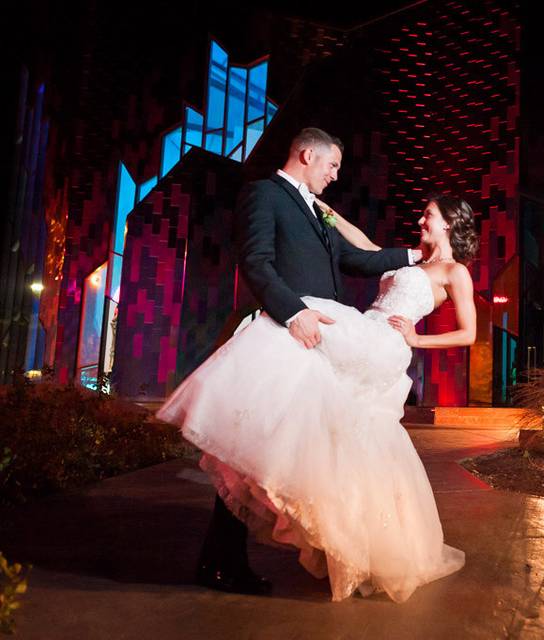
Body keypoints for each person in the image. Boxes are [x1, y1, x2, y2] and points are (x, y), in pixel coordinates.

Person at [157, 128, 477, 602]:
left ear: (448, 224)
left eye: (428, 215)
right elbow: (288, 258)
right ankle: (326, 539)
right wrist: (295, 307)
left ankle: (237, 550)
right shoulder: (267, 194)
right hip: (318, 320)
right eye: (332, 167)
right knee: (309, 433)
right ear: (309, 154)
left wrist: (413, 334)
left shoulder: (454, 272)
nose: (334, 176)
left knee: (289, 418)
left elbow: (363, 261)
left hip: (361, 336)